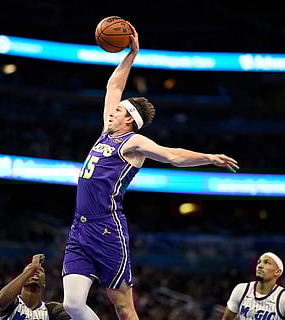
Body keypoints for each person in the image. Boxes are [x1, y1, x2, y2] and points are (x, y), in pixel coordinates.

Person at [61, 23, 239, 320]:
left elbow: (172, 156)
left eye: (119, 110)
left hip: (107, 229)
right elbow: (113, 86)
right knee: (72, 305)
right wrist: (132, 53)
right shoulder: (107, 131)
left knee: (123, 307)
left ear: (129, 120)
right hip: (79, 228)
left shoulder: (133, 142)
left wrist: (207, 157)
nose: (113, 109)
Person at [221, 252, 285, 320]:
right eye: (259, 262)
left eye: (267, 262)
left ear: (277, 272)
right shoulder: (241, 290)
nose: (260, 266)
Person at [0, 253, 71, 320]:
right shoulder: (12, 303)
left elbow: (75, 308)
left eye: (41, 270)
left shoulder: (51, 309)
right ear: (22, 279)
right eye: (31, 269)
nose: (36, 270)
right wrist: (32, 268)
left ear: (44, 283)